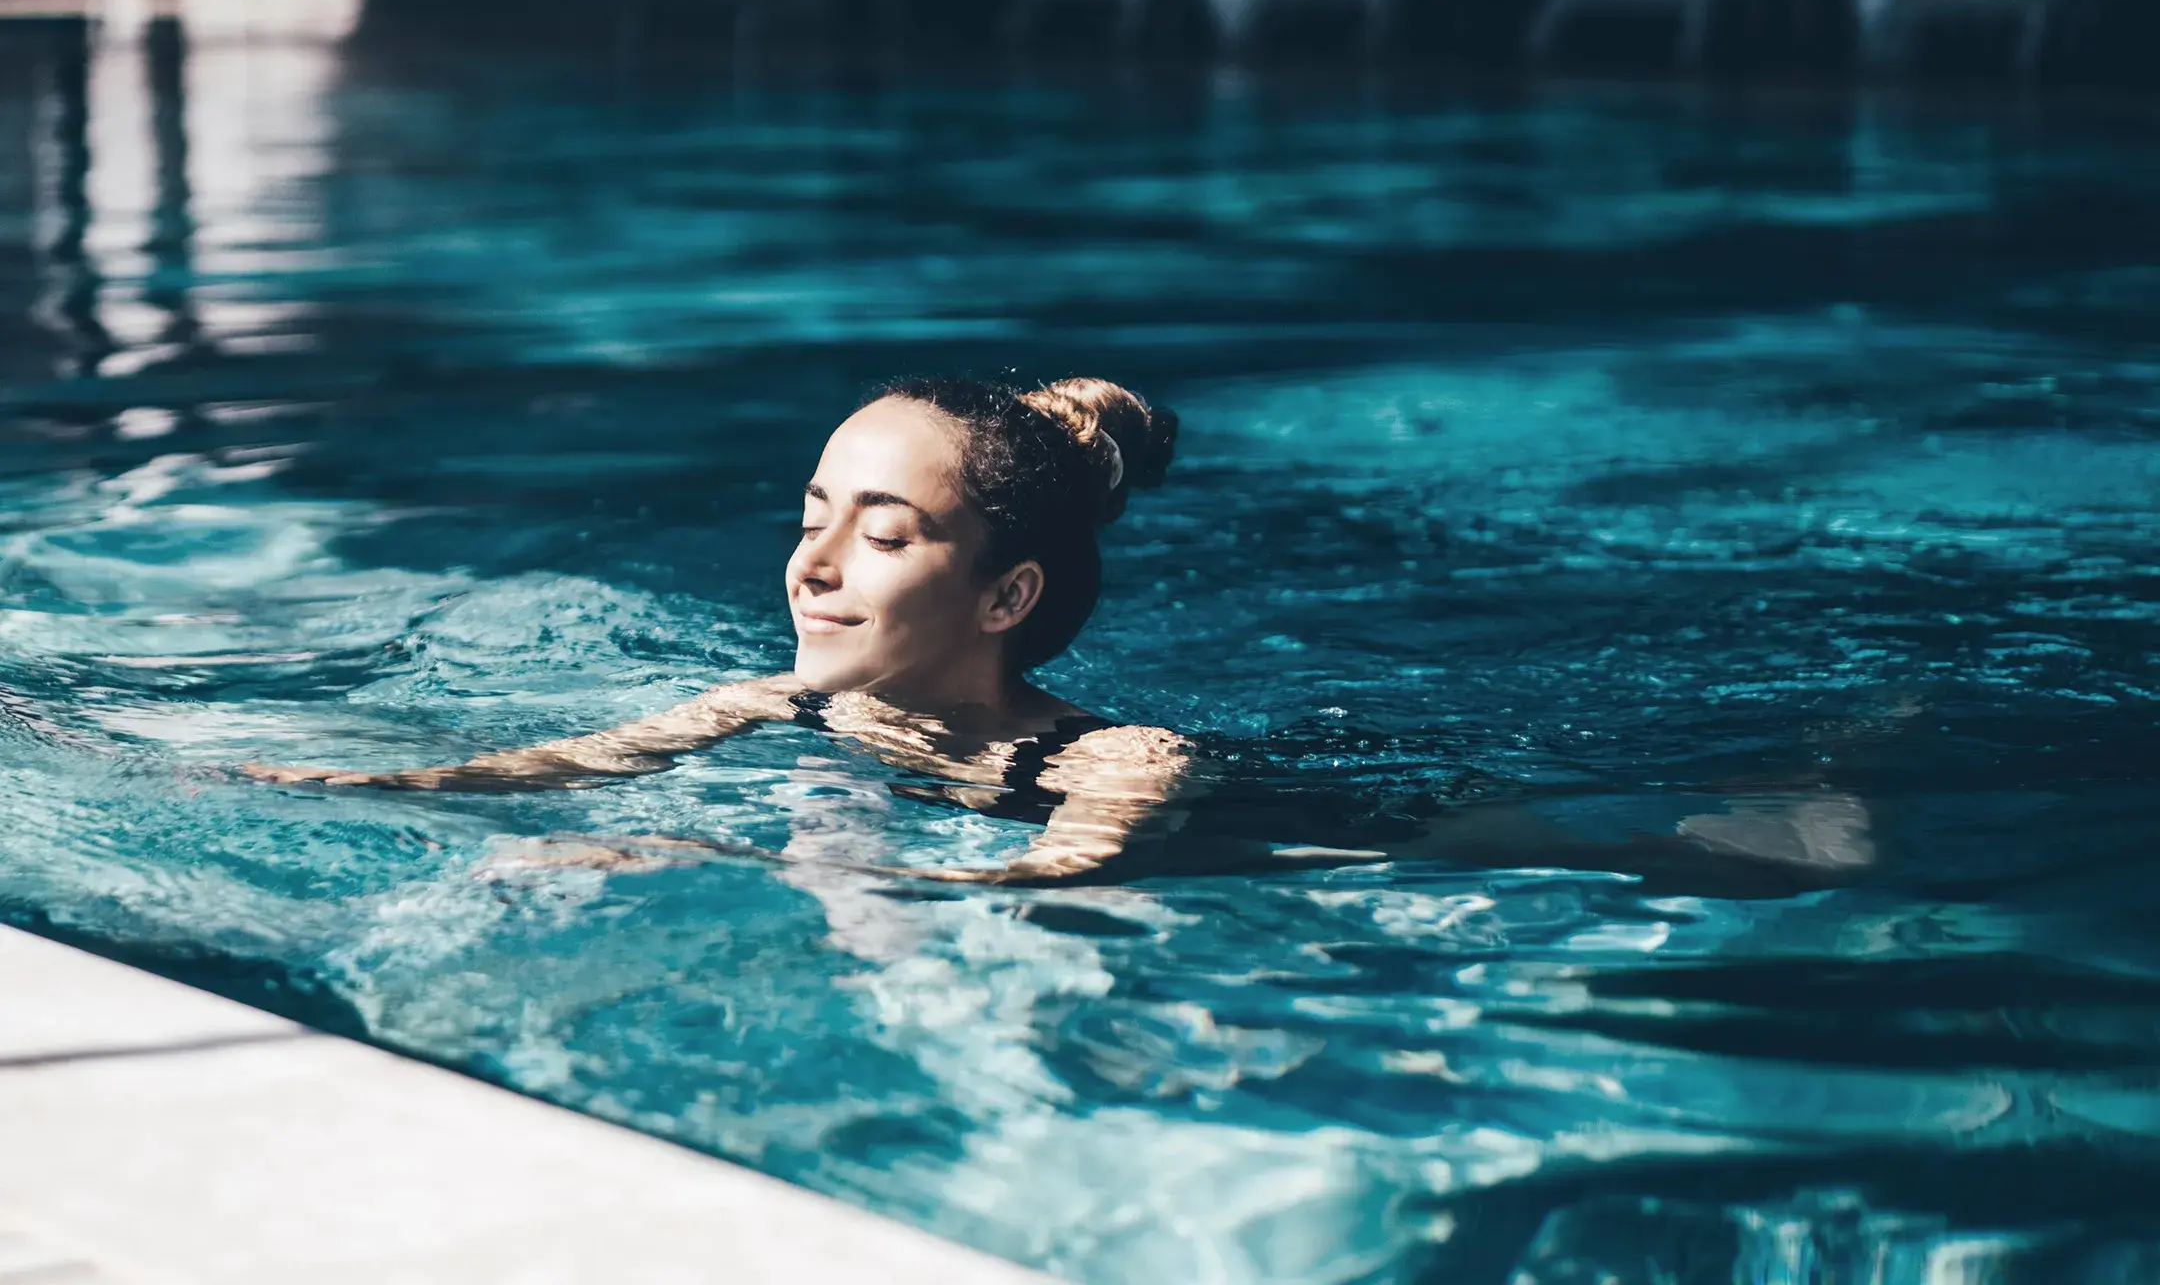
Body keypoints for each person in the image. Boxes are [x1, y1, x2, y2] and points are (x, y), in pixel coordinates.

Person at [250, 374, 1873, 896]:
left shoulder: (1118, 754)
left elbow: (1049, 878)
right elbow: (529, 767)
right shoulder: (777, 701)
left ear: (1006, 597)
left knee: (1608, 850)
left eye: (882, 533)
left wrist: (711, 870)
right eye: (811, 511)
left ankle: (1796, 809)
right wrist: (306, 787)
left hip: (1341, 820)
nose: (815, 564)